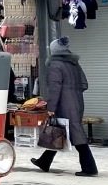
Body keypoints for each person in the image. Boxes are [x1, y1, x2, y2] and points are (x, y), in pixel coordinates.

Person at [31, 36, 99, 176]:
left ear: (54, 50)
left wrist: (50, 107)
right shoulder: (74, 64)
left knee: (74, 132)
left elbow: (55, 88)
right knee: (59, 130)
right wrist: (74, 92)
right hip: (77, 101)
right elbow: (84, 84)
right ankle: (44, 161)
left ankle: (90, 168)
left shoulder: (55, 64)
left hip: (65, 103)